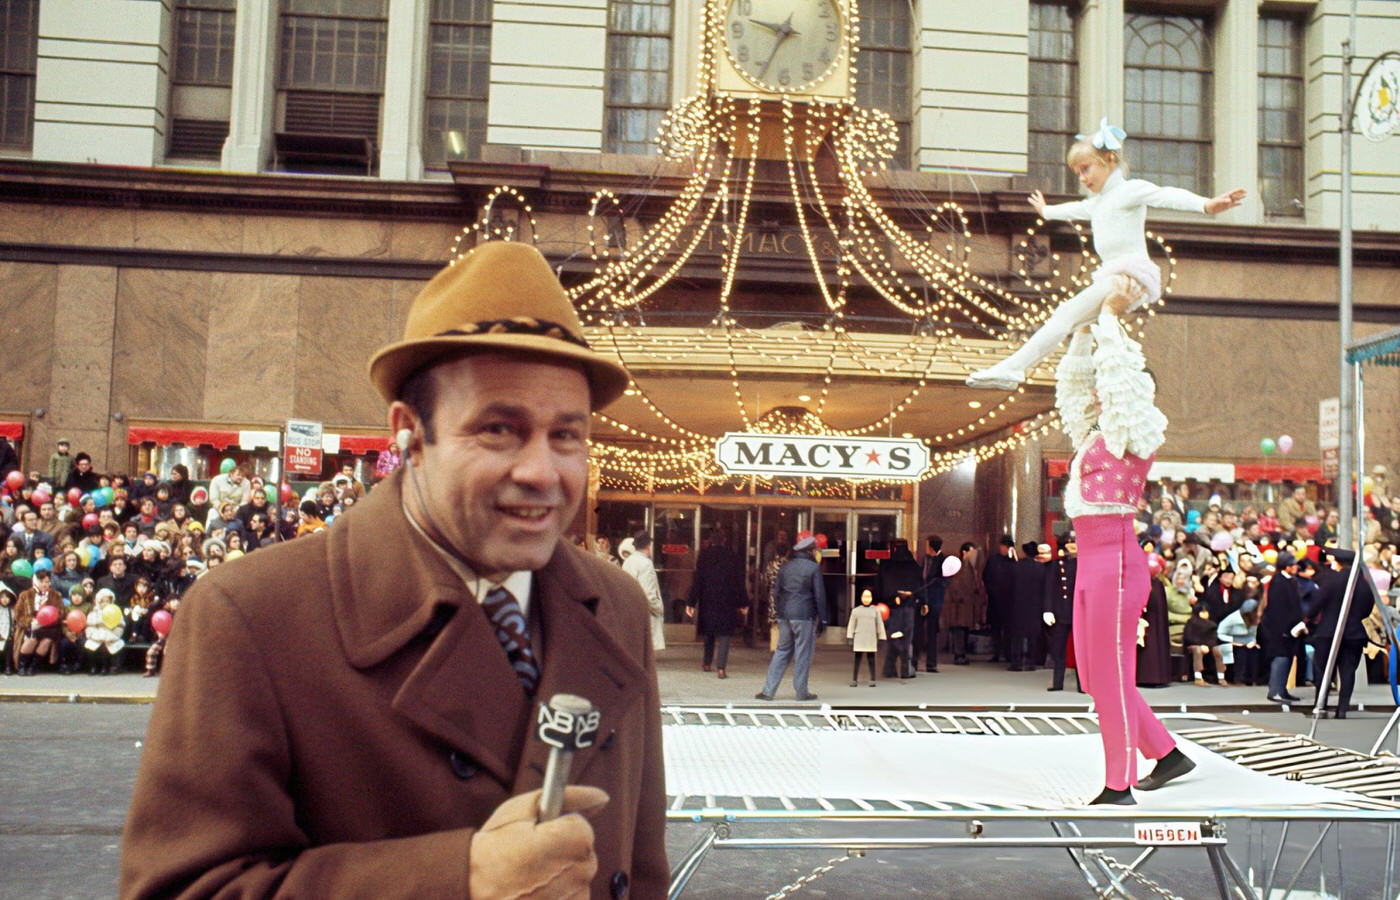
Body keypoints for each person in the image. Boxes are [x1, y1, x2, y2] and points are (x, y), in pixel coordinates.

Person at [120, 241, 668, 899]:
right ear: (409, 432)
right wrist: (457, 882)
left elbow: (640, 868)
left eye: (566, 436)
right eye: (498, 430)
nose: (542, 473)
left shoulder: (616, 604)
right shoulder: (251, 616)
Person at [967, 119, 1245, 389]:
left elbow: (1166, 194)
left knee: (1065, 314)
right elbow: (1072, 209)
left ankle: (1013, 369)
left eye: (1086, 169)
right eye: (1078, 173)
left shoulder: (1129, 191)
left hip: (1128, 275)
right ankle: (1024, 371)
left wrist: (1207, 205)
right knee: (1076, 324)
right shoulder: (1097, 203)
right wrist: (1047, 211)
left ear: (1109, 160)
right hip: (1116, 276)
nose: (1083, 178)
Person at [1053, 307, 1193, 805]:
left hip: (1114, 560)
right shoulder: (1097, 435)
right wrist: (1081, 335)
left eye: (1106, 386)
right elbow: (1071, 395)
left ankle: (1120, 782)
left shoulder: (1137, 431)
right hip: (1094, 561)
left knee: (1110, 674)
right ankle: (1166, 751)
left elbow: (1119, 384)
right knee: (1093, 676)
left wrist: (1109, 324)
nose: (1097, 391)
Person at [756, 535, 825, 702]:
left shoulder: (785, 567)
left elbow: (776, 592)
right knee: (803, 654)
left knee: (781, 651)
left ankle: (768, 691)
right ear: (809, 551)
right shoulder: (813, 568)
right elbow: (819, 596)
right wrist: (823, 620)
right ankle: (801, 692)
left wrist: (780, 612)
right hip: (804, 616)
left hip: (785, 615)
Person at [1310, 547, 1376, 719]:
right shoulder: (1362, 583)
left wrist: (1309, 618)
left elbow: (1317, 602)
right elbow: (1367, 608)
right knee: (1347, 671)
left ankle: (1321, 704)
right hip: (1354, 633)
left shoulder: (1330, 580)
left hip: (1328, 631)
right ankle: (1342, 709)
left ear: (1338, 562)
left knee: (1323, 670)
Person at [686, 527, 746, 678]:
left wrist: (691, 602)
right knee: (724, 634)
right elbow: (739, 581)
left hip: (708, 599)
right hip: (727, 600)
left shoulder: (704, 556)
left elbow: (697, 581)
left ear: (711, 541)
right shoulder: (732, 556)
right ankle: (721, 668)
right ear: (724, 541)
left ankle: (706, 663)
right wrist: (743, 603)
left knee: (709, 633)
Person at [877, 539, 922, 680]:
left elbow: (880, 587)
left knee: (894, 637)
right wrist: (920, 600)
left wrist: (887, 599)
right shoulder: (913, 566)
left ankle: (890, 667)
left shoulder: (887, 566)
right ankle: (905, 668)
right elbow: (920, 584)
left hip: (891, 607)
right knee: (907, 638)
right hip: (909, 606)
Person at [1007, 540, 1048, 671]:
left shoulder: (1015, 567)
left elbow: (1009, 588)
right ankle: (1032, 661)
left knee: (1017, 634)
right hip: (1035, 605)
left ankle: (1017, 662)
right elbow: (1045, 588)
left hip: (1018, 604)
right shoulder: (1041, 568)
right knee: (1033, 635)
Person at [621, 531, 666, 653]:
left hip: (631, 610)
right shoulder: (645, 564)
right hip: (645, 614)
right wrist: (659, 608)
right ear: (648, 545)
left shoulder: (628, 561)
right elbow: (649, 594)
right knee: (645, 654)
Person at [1043, 534, 1077, 691]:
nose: (1074, 546)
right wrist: (1048, 609)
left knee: (1080, 652)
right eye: (1071, 543)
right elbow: (1049, 589)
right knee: (1059, 649)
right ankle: (1058, 683)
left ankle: (1083, 684)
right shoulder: (1056, 565)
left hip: (1078, 612)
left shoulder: (1083, 564)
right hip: (1060, 611)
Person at [941, 542, 984, 665]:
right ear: (965, 552)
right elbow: (953, 585)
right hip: (960, 604)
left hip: (966, 604)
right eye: (972, 552)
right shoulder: (959, 566)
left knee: (963, 630)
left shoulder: (970, 567)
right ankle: (959, 654)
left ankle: (962, 654)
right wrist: (960, 597)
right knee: (959, 630)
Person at [914, 534, 947, 672]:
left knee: (932, 633)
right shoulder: (925, 559)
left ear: (931, 547)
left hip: (934, 601)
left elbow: (944, 581)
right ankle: (913, 662)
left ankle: (931, 663)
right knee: (917, 632)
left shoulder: (943, 561)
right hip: (922, 600)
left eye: (927, 545)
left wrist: (933, 583)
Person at [982, 535, 1017, 661]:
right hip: (994, 599)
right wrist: (991, 589)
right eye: (1003, 547)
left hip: (1009, 601)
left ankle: (1007, 653)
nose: (1004, 549)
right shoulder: (993, 560)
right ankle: (996, 652)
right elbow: (986, 576)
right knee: (995, 627)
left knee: (1008, 628)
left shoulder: (1014, 561)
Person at [846, 587, 886, 687]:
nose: (866, 599)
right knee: (857, 659)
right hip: (859, 637)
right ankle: (854, 679)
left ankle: (872, 679)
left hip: (871, 637)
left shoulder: (875, 611)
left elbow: (879, 624)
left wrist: (881, 637)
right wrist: (850, 637)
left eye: (868, 596)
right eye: (864, 596)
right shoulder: (856, 611)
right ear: (861, 597)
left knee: (871, 659)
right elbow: (851, 625)